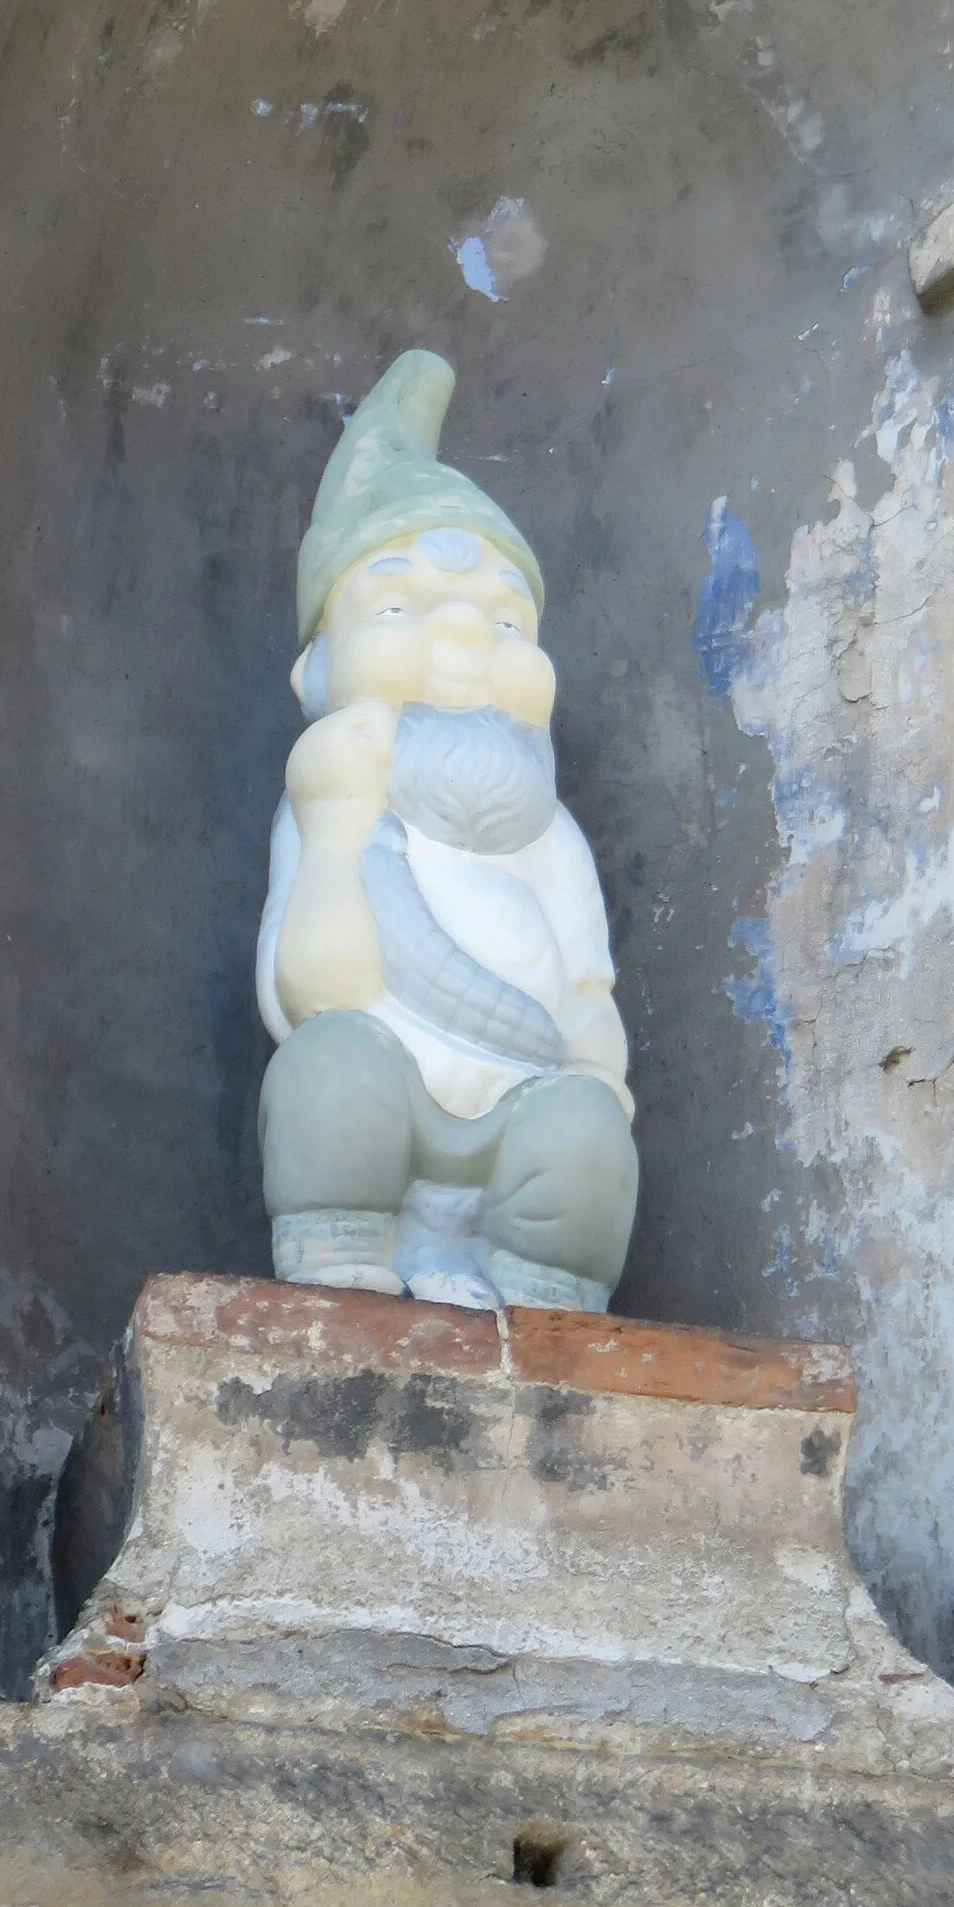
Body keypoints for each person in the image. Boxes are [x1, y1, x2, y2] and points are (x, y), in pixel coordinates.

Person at [255, 351, 639, 1312]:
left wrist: (595, 1082)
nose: (463, 639)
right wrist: (337, 826)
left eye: (506, 624)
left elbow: (588, 990)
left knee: (590, 1139)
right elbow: (309, 990)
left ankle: (543, 1296)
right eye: (398, 608)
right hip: (386, 1109)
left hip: (524, 1110)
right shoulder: (329, 796)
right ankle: (343, 1262)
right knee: (329, 1071)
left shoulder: (547, 836)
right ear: (316, 674)